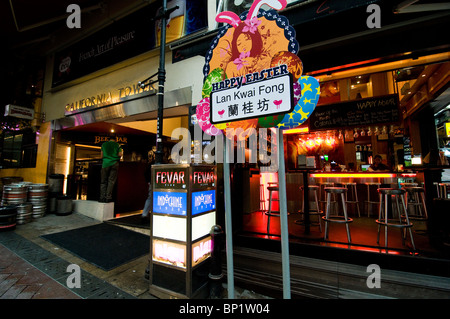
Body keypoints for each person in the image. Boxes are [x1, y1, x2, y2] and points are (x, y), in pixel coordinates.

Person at [99, 135, 123, 203]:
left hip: (105, 164)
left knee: (103, 181)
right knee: (111, 181)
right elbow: (120, 154)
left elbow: (101, 156)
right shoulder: (118, 145)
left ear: (108, 139)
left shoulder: (104, 144)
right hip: (115, 163)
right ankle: (108, 197)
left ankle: (102, 197)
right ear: (115, 140)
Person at [141, 150, 155, 224]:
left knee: (150, 198)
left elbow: (146, 173)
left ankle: (144, 214)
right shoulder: (162, 163)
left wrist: (149, 181)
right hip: (157, 183)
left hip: (152, 182)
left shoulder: (151, 164)